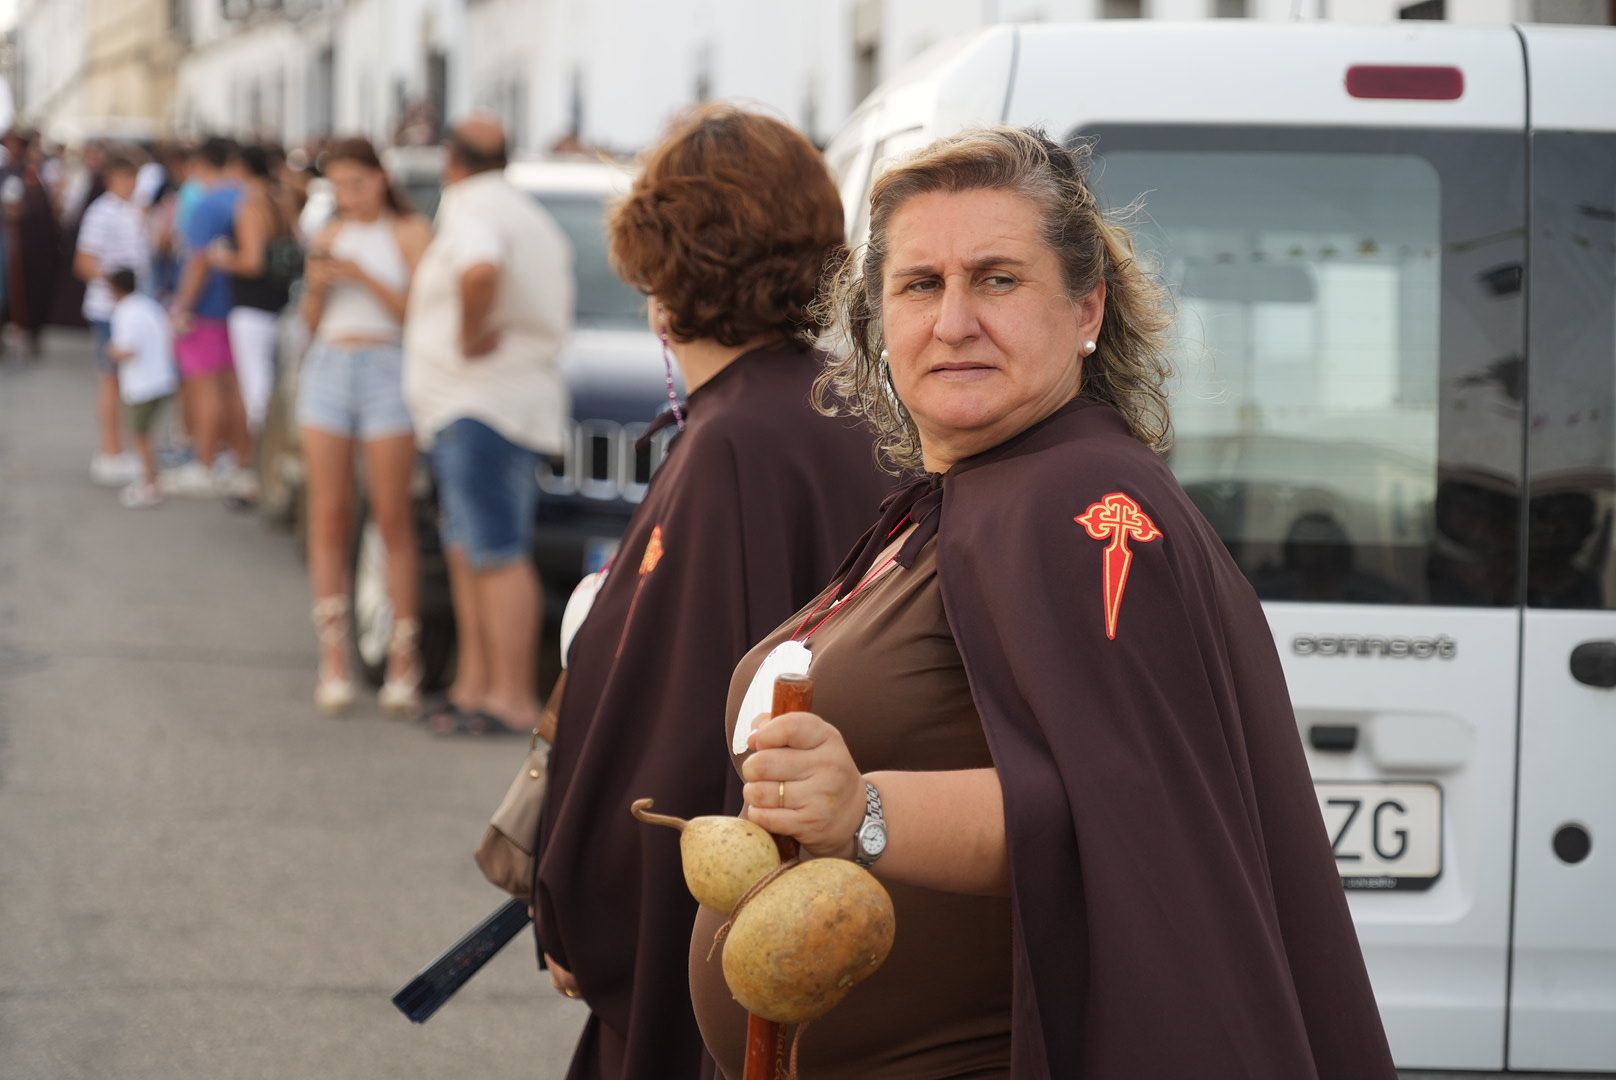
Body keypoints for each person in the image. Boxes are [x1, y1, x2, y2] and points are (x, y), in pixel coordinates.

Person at [688, 128, 1398, 1078]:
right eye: (919, 284)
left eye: (997, 280)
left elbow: (1134, 819)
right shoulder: (966, 498)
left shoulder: (1083, 504)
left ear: (1087, 308)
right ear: (877, 320)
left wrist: (864, 808)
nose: (953, 322)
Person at [533, 105, 890, 1080]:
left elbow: (672, 728)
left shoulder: (730, 442)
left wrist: (573, 909)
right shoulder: (848, 405)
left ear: (657, 272)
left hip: (721, 959)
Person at [403, 115, 567, 737]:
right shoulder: (523, 211)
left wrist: (469, 334)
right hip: (479, 406)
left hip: (483, 405)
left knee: (495, 551)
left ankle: (510, 697)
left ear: (452, 160)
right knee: (470, 548)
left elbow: (479, 270)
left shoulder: (472, 207)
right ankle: (474, 686)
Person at [298, 137, 432, 715]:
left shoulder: (408, 232)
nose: (347, 196)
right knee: (328, 513)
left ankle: (403, 656)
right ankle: (334, 658)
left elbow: (422, 316)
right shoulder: (327, 234)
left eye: (357, 183)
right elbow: (310, 320)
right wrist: (321, 286)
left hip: (388, 367)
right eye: (338, 187)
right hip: (330, 366)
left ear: (380, 178)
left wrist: (364, 274)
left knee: (391, 514)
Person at [208, 142, 299, 489]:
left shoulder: (251, 204)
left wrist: (220, 259)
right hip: (278, 303)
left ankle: (258, 471)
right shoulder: (283, 198)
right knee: (273, 387)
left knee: (255, 391)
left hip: (252, 307)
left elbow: (252, 261)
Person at [168, 135, 253, 499]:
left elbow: (199, 262)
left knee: (206, 387)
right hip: (240, 306)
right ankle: (238, 460)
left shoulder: (206, 203)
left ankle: (205, 461)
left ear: (200, 164)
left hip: (208, 309)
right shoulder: (245, 197)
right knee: (234, 387)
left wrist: (182, 305)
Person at [74, 149, 150, 487]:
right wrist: (118, 285)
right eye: (128, 178)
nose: (133, 184)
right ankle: (111, 450)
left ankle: (119, 449)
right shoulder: (101, 212)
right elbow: (85, 262)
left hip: (129, 309)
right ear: (113, 179)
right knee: (111, 380)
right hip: (110, 309)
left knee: (125, 381)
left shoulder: (131, 210)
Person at [104, 268, 178, 509]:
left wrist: (111, 351)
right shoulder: (149, 305)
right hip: (163, 379)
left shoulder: (125, 312)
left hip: (143, 385)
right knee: (145, 435)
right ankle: (151, 479)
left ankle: (150, 484)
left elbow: (128, 349)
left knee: (140, 436)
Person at [2, 129, 61, 358]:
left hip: (35, 246)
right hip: (14, 245)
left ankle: (31, 332)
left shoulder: (35, 175)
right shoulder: (9, 174)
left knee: (34, 288)